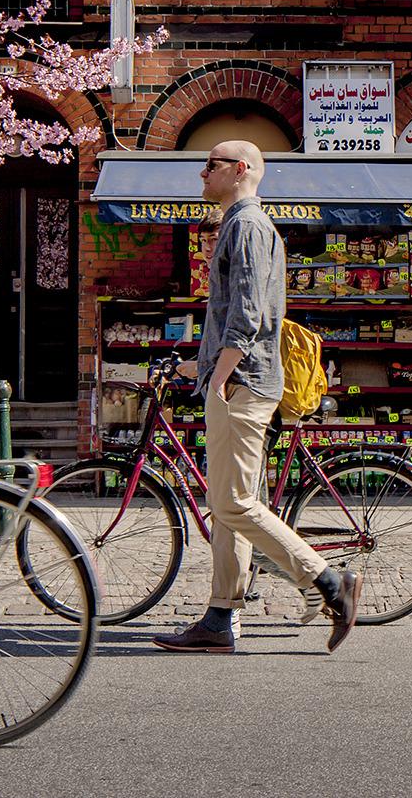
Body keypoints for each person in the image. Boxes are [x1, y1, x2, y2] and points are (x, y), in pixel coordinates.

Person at [153, 139, 362, 654]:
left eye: (211, 164)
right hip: (237, 379)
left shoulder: (245, 225)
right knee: (226, 505)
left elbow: (246, 314)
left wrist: (222, 376)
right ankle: (221, 617)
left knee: (233, 501)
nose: (202, 173)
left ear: (240, 170)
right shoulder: (241, 224)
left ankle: (329, 581)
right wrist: (199, 369)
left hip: (243, 383)